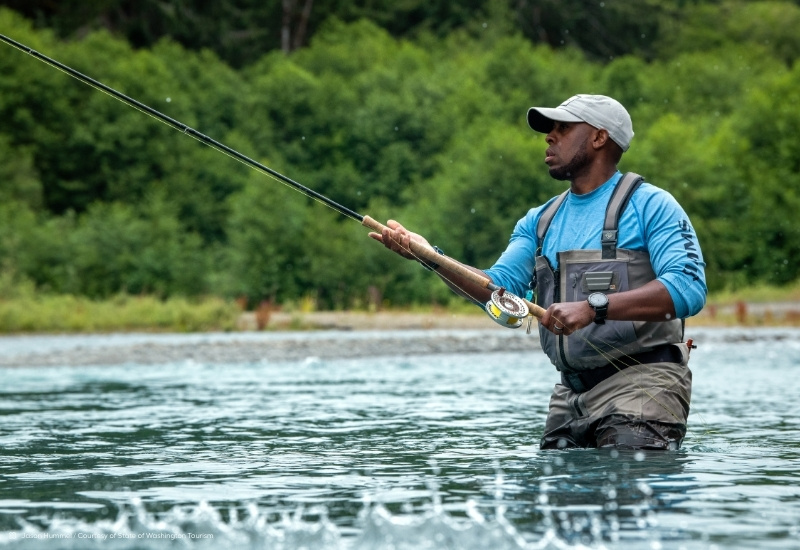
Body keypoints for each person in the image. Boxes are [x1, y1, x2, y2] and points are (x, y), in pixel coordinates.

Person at [369, 94, 707, 450]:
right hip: (569, 396)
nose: (549, 136)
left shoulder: (652, 205)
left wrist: (592, 308)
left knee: (620, 479)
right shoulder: (539, 221)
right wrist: (430, 256)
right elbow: (497, 289)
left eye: (563, 128)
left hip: (644, 385)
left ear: (599, 137)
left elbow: (688, 287)